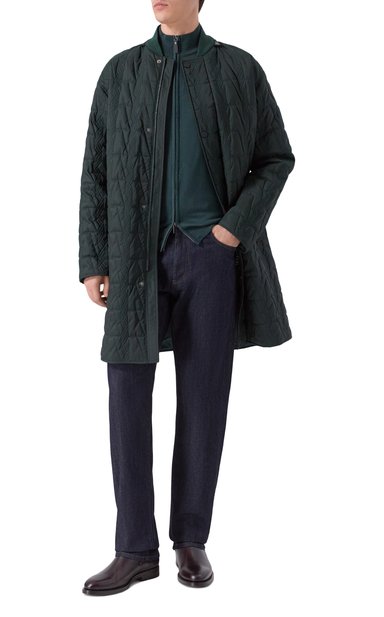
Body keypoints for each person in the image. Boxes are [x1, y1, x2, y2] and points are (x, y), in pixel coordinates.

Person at [79, 0, 295, 595]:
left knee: (204, 398)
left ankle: (191, 539)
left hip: (210, 258)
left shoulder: (239, 69)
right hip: (134, 258)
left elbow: (276, 158)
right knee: (126, 397)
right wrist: (94, 259)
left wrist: (230, 232)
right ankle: (134, 550)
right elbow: (95, 171)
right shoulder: (120, 72)